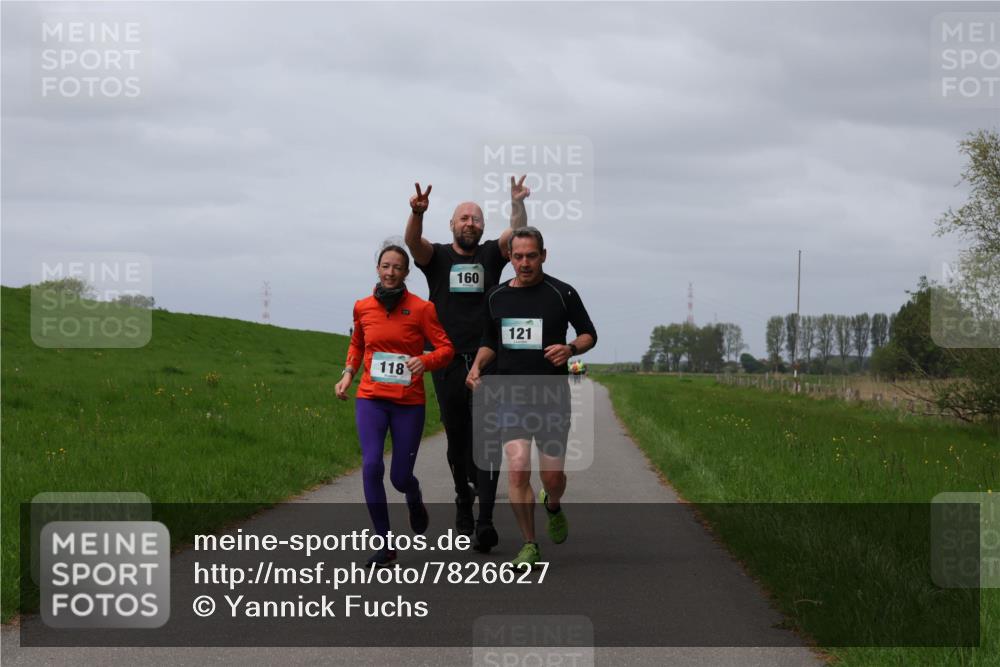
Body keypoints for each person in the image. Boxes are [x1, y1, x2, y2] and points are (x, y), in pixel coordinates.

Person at [405, 177, 530, 552]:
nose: (470, 223)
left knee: (485, 437)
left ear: (483, 227)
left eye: (476, 218)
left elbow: (518, 234)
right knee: (457, 438)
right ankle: (463, 494)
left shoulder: (492, 254)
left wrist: (517, 203)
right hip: (446, 360)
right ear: (452, 225)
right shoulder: (439, 256)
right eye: (463, 218)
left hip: (486, 359)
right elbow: (414, 244)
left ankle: (484, 521)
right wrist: (416, 213)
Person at [465, 227, 597, 568]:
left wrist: (569, 348)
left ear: (543, 255)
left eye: (531, 256)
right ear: (509, 256)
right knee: (518, 469)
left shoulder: (561, 293)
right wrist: (477, 366)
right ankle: (529, 544)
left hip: (551, 395)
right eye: (518, 256)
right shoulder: (496, 297)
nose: (524, 263)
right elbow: (489, 341)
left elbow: (588, 334)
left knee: (552, 478)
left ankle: (552, 504)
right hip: (510, 395)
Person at [335, 244, 455, 567]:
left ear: (406, 273)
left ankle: (413, 498)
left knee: (400, 477)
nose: (390, 272)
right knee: (372, 466)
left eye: (397, 267)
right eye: (385, 266)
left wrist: (424, 361)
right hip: (372, 399)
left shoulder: (422, 309)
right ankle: (385, 544)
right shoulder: (362, 307)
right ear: (377, 269)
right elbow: (357, 343)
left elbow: (446, 349)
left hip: (408, 404)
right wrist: (348, 374)